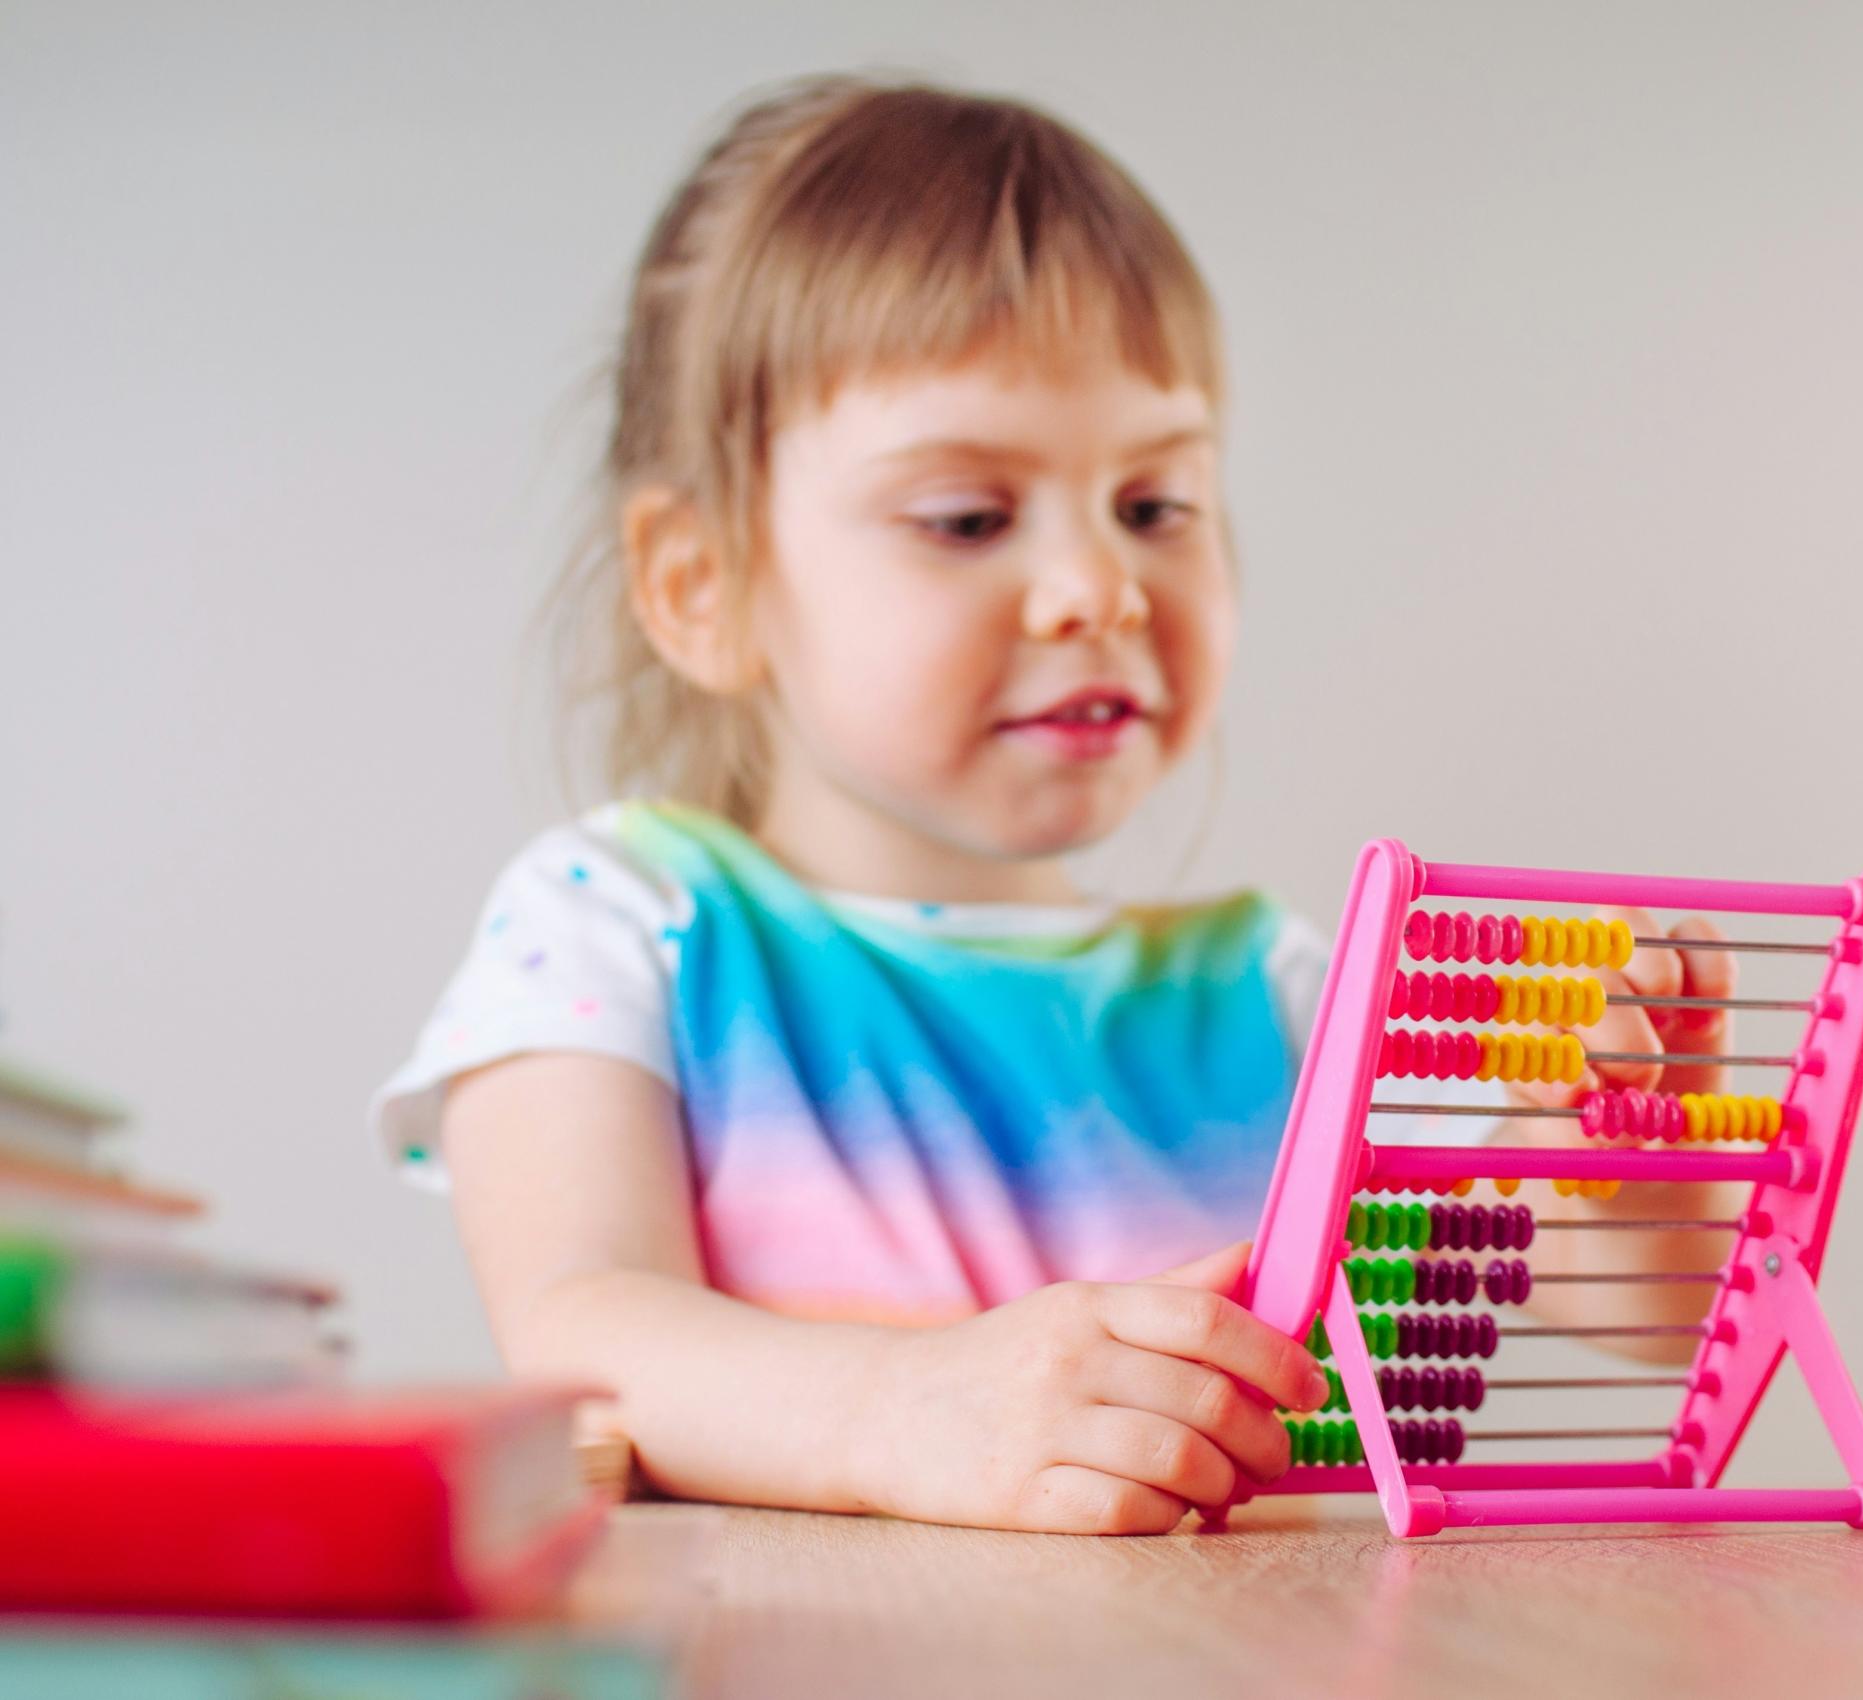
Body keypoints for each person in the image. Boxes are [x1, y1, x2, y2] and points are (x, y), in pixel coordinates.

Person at [375, 77, 1738, 1535]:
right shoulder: (622, 924)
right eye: (968, 518)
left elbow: (1651, 1317)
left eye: (1155, 506)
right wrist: (902, 1410)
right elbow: (585, 1329)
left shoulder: (1277, 993)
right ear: (701, 587)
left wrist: (1632, 1168)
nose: (1100, 588)